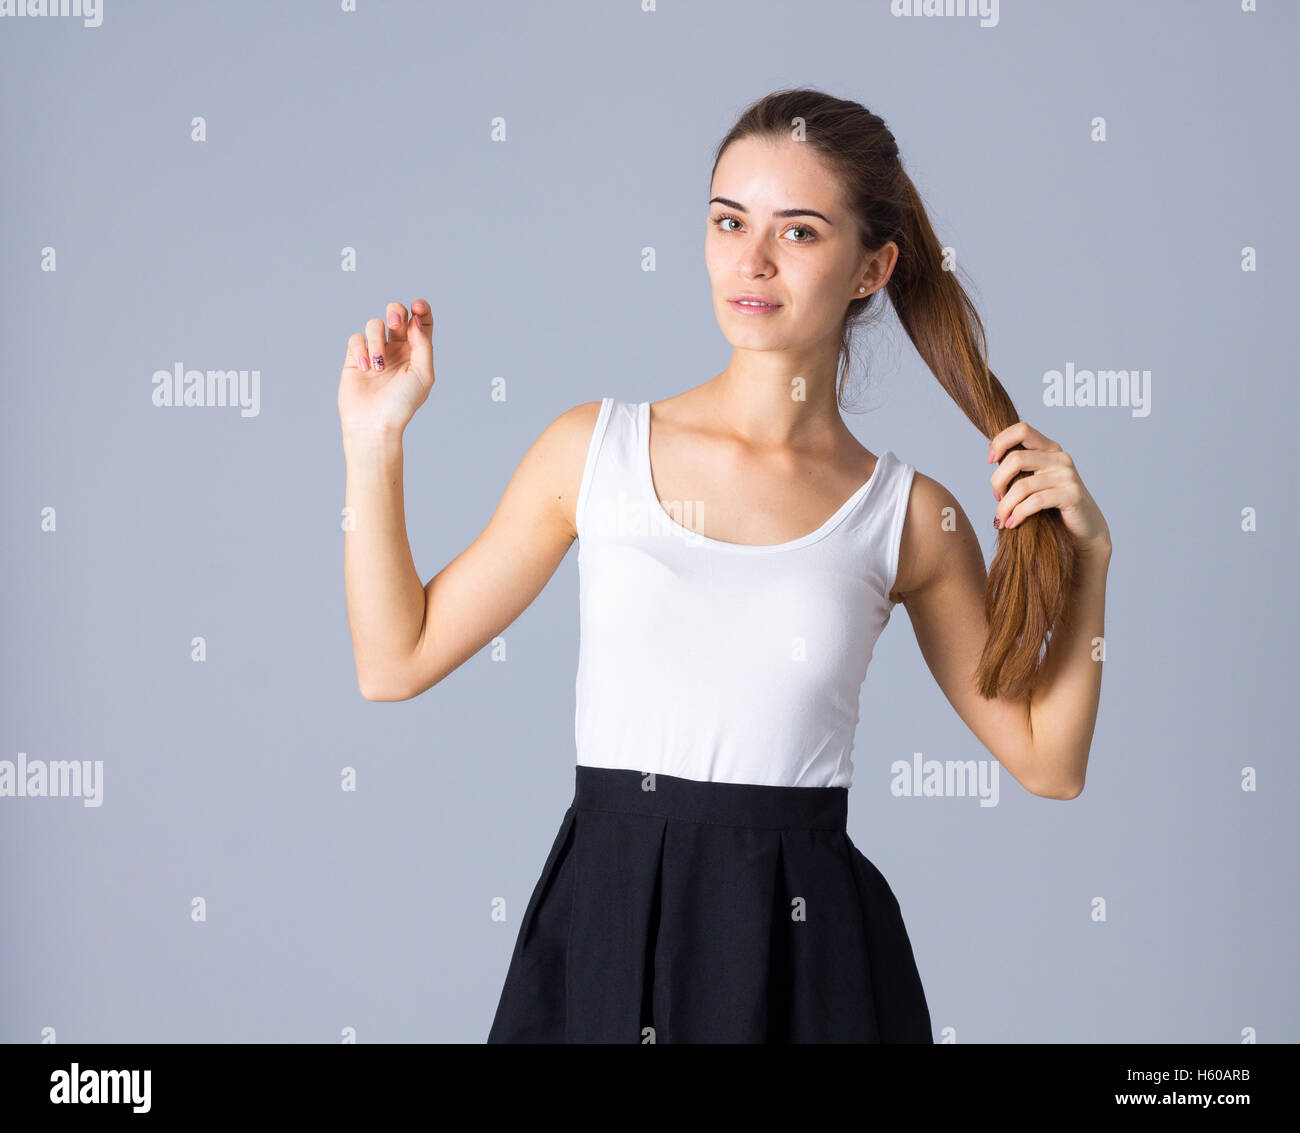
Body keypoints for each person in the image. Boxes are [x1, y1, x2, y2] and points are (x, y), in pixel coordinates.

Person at [337, 88, 1113, 1044]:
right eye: (727, 221)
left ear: (873, 268)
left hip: (806, 958)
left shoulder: (910, 517)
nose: (751, 260)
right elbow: (394, 659)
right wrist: (373, 444)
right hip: (607, 929)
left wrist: (1091, 559)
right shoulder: (593, 449)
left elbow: (1048, 758)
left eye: (798, 232)